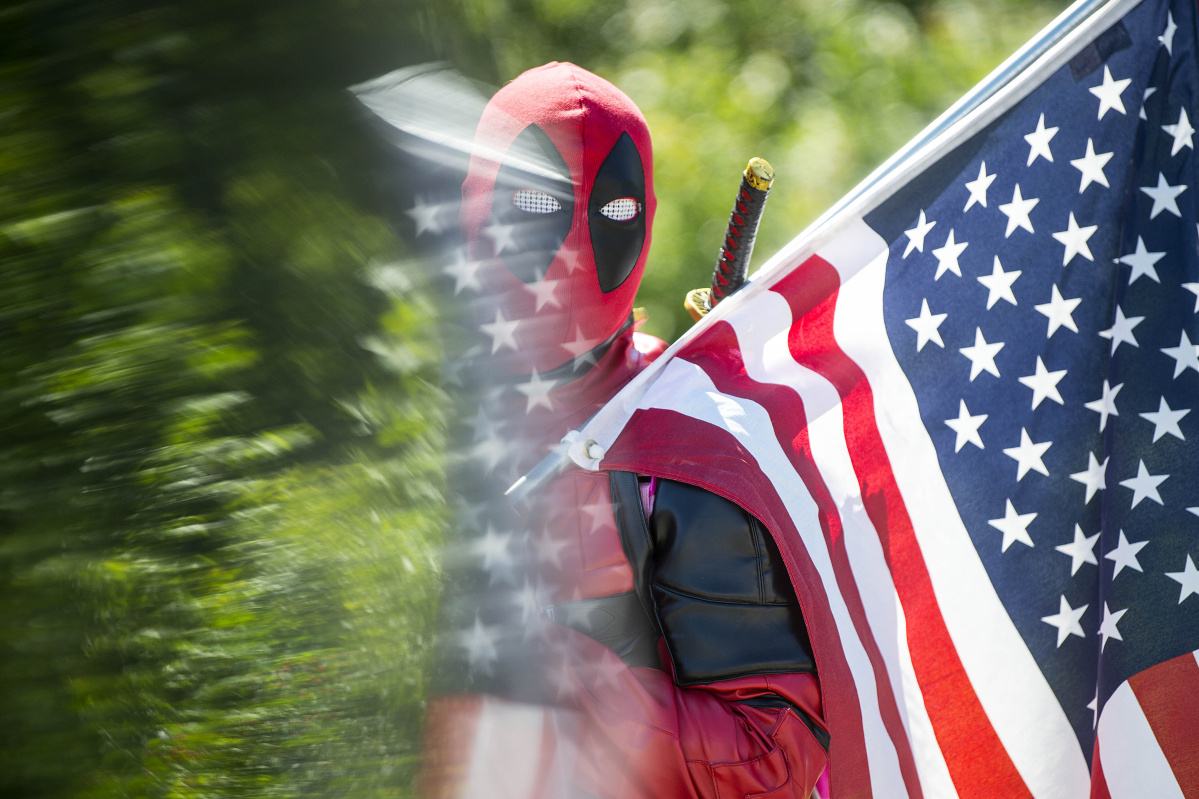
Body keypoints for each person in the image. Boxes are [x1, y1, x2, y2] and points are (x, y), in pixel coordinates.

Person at [423, 61, 828, 799]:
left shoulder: (686, 442)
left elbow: (773, 754)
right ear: (476, 208)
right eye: (538, 204)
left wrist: (569, 667)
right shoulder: (429, 416)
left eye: (608, 213)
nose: (573, 248)